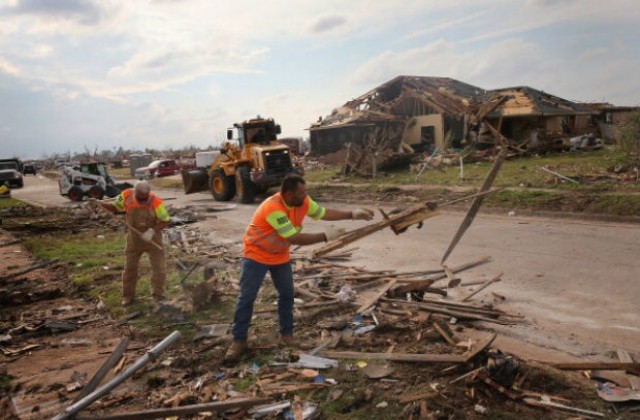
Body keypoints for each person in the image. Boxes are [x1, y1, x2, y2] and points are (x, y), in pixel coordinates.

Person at [225, 174, 374, 361]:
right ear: (288, 194)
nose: (305, 196)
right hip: (256, 255)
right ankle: (239, 341)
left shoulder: (302, 201)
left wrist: (352, 214)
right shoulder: (273, 208)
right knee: (247, 298)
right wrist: (325, 236)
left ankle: (287, 335)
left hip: (279, 256)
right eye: (301, 193)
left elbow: (323, 213)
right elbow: (293, 238)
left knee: (287, 294)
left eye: (305, 192)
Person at [93, 180, 171, 306]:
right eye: (140, 199)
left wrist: (152, 231)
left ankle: (159, 296)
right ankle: (128, 296)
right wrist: (100, 203)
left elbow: (165, 220)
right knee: (130, 269)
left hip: (153, 239)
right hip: (134, 239)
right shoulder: (126, 196)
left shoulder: (156, 202)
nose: (142, 202)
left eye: (145, 199)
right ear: (134, 192)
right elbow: (114, 207)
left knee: (159, 269)